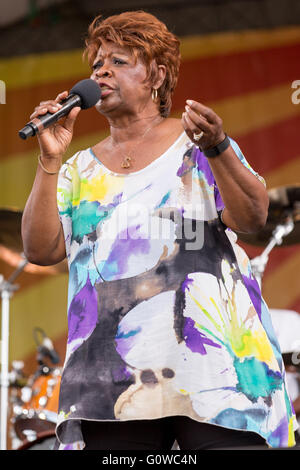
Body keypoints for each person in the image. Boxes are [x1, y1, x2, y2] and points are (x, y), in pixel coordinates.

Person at [21, 10, 297, 450]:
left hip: (212, 369)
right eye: (96, 65)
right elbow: (40, 250)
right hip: (110, 376)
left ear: (156, 75)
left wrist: (220, 148)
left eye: (119, 61)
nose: (102, 71)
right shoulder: (78, 170)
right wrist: (50, 160)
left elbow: (252, 219)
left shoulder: (198, 145)